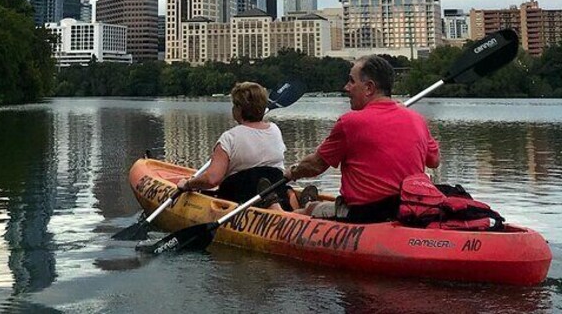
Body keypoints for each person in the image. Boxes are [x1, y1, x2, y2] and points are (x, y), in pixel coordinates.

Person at [285, 55, 440, 222]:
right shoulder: (417, 119)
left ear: (368, 88)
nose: (346, 87)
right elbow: (434, 161)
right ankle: (307, 201)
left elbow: (315, 166)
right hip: (407, 211)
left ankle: (285, 206)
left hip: (363, 215)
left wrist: (291, 173)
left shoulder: (350, 122)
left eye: (351, 81)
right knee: (316, 206)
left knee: (308, 210)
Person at [176, 81, 292, 210]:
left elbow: (212, 180)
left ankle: (271, 204)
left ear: (239, 109)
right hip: (275, 191)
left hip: (240, 201)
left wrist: (188, 184)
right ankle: (295, 204)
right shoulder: (275, 130)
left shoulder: (229, 138)